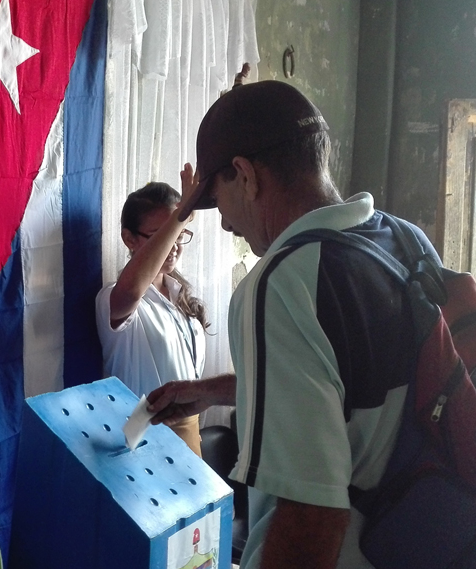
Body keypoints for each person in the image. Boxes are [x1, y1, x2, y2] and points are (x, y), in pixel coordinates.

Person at [146, 80, 440, 569]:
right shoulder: (403, 241)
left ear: (245, 175)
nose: (224, 225)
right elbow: (350, 394)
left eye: (218, 203)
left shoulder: (281, 284)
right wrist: (216, 391)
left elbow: (312, 518)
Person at [96, 176, 209, 456]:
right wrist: (180, 218)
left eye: (180, 236)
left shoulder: (179, 294)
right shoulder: (114, 298)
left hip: (189, 435)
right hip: (144, 442)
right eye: (162, 235)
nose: (174, 245)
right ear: (129, 238)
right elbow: (132, 291)